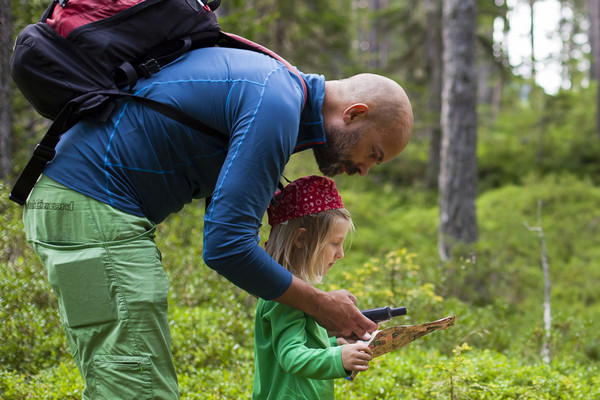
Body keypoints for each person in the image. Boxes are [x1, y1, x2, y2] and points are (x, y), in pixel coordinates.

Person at [22, 43, 413, 398]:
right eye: (373, 153)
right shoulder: (276, 103)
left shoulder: (278, 89)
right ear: (354, 113)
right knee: (138, 387)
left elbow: (229, 217)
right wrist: (318, 305)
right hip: (90, 201)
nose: (363, 170)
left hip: (86, 203)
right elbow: (226, 246)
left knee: (121, 377)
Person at [253, 175, 373, 400]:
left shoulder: (290, 288)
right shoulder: (287, 297)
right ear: (301, 239)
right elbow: (291, 356)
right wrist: (338, 358)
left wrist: (333, 343)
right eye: (334, 243)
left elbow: (297, 341)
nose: (341, 253)